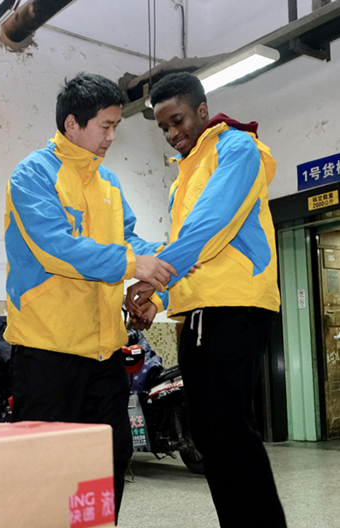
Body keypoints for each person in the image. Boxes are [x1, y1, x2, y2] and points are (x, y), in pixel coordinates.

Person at [3, 72, 176, 520]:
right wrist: (134, 266)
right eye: (106, 125)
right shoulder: (33, 175)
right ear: (72, 124)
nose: (112, 136)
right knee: (47, 469)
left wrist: (159, 265)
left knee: (110, 461)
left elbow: (130, 239)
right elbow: (57, 249)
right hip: (47, 352)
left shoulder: (109, 184)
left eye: (117, 126)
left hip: (104, 353)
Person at [126, 72, 286, 527]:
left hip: (238, 305)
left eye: (177, 121)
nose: (172, 133)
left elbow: (210, 227)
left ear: (201, 110)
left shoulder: (237, 148)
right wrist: (161, 299)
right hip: (196, 314)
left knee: (231, 428)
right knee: (206, 433)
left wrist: (155, 278)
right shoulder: (183, 176)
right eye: (164, 127)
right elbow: (192, 255)